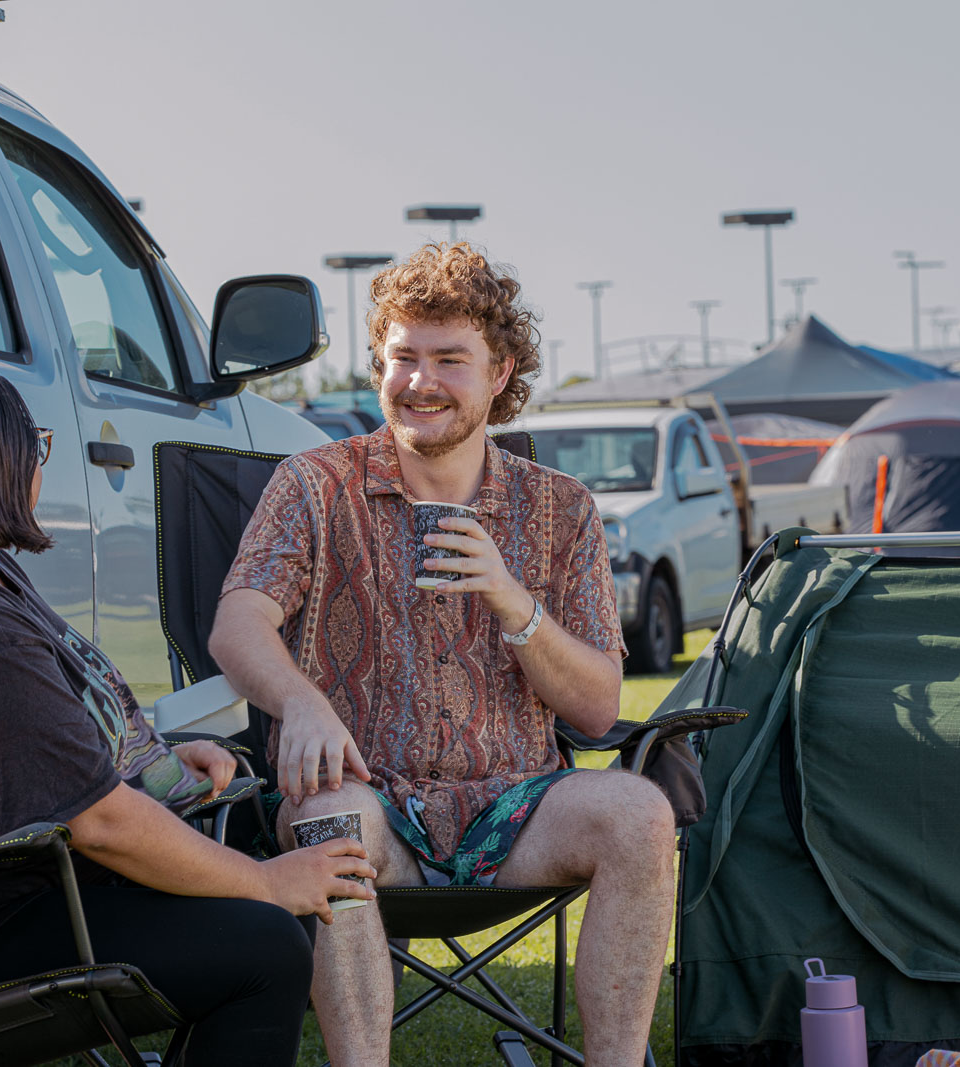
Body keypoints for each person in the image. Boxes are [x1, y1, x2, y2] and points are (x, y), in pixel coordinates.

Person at [0, 364, 374, 1065]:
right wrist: (267, 884)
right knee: (265, 941)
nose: (41, 465)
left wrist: (151, 760)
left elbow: (37, 735)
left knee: (246, 854)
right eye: (35, 446)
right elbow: (99, 821)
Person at [209, 243, 677, 1066]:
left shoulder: (559, 509)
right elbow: (237, 624)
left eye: (449, 359)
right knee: (333, 818)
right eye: (403, 357)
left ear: (499, 375)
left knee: (640, 813)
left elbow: (599, 707)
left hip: (515, 805)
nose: (421, 381)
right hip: (368, 801)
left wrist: (510, 599)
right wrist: (303, 702)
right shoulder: (314, 484)